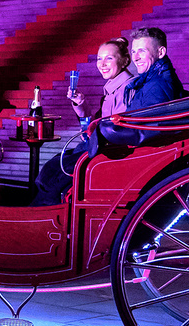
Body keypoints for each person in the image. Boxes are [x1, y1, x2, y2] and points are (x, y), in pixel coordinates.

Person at [32, 38, 136, 205]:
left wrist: (93, 133)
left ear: (124, 61)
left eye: (109, 58)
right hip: (96, 145)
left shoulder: (127, 88)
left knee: (54, 172)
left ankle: (43, 215)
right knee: (53, 166)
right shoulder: (112, 87)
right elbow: (95, 121)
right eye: (99, 58)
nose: (102, 64)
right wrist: (80, 103)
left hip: (109, 151)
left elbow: (117, 128)